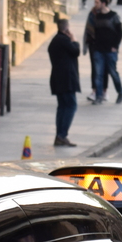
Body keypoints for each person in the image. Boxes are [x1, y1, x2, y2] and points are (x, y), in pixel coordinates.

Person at [84, 0, 122, 105]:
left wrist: (115, 46)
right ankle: (98, 96)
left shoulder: (113, 16)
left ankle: (120, 92)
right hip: (98, 50)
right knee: (98, 74)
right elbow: (93, 32)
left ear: (103, 3)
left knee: (113, 73)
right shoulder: (96, 16)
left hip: (110, 51)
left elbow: (120, 33)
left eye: (97, 2)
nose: (95, 4)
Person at [48, 18, 81, 148]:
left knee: (62, 107)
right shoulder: (64, 40)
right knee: (71, 106)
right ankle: (62, 135)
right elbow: (76, 51)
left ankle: (59, 135)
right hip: (67, 79)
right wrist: (74, 39)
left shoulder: (54, 41)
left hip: (57, 78)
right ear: (66, 29)